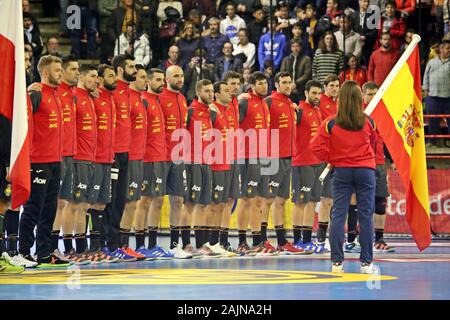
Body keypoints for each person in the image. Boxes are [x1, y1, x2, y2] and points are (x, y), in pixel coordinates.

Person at [311, 80, 377, 274]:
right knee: (365, 216)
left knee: (338, 215)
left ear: (341, 99)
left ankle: (337, 263)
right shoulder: (369, 121)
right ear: (360, 99)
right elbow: (372, 144)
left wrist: (330, 157)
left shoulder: (330, 122)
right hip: (365, 171)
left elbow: (314, 146)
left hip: (341, 171)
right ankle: (366, 264)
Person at [19, 55, 70, 267]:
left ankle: (44, 253)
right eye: (58, 70)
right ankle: (24, 252)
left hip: (55, 161)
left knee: (49, 209)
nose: (61, 73)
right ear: (47, 72)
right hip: (38, 161)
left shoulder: (56, 95)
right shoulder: (35, 94)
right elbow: (24, 124)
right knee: (33, 208)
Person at [264, 72, 307, 254]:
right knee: (267, 200)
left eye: (290, 82)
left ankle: (281, 241)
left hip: (289, 157)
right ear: (276, 84)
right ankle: (261, 240)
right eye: (284, 82)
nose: (288, 85)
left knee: (281, 200)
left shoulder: (290, 103)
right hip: (273, 158)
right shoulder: (269, 101)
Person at [102, 54, 138, 261]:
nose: (134, 70)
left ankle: (118, 244)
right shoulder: (110, 92)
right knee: (111, 199)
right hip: (112, 153)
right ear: (119, 70)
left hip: (127, 152)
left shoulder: (128, 93)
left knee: (121, 199)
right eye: (131, 67)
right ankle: (108, 244)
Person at [236, 72, 276, 256]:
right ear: (251, 85)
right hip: (247, 157)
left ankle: (257, 240)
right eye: (260, 83)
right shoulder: (244, 102)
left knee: (260, 200)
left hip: (264, 157)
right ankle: (242, 242)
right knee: (246, 199)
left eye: (265, 83)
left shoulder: (264, 103)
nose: (264, 86)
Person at [137, 68, 175, 259]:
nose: (162, 83)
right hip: (147, 158)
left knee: (158, 201)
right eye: (158, 80)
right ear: (149, 82)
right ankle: (138, 245)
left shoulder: (158, 101)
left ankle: (152, 244)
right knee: (144, 201)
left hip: (161, 156)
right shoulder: (143, 100)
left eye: (163, 80)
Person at [183, 79, 221, 258]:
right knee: (190, 204)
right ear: (199, 92)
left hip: (207, 162)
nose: (211, 94)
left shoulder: (210, 112)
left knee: (204, 205)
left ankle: (201, 244)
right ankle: (185, 244)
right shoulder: (190, 112)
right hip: (192, 163)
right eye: (207, 91)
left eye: (212, 91)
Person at [158, 66, 191, 259]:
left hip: (179, 157)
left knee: (178, 200)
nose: (180, 79)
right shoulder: (160, 98)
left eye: (181, 75)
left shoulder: (182, 98)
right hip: (161, 156)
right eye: (176, 76)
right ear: (166, 79)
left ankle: (174, 244)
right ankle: (147, 244)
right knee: (153, 201)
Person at [88, 64, 120, 262]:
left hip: (109, 158)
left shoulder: (111, 99)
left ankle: (98, 245)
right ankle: (88, 247)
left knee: (101, 203)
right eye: (110, 75)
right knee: (88, 202)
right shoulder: (93, 97)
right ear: (99, 79)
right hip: (94, 158)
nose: (115, 78)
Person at [116, 65, 148, 260]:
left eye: (144, 76)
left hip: (139, 156)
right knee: (128, 202)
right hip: (129, 155)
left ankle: (124, 245)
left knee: (133, 202)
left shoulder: (140, 100)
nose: (143, 79)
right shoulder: (126, 97)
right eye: (141, 77)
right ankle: (120, 244)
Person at [291, 80, 324, 253]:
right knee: (300, 202)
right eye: (313, 93)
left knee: (312, 202)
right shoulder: (299, 111)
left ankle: (306, 240)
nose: (317, 97)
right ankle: (297, 241)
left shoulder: (318, 111)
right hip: (302, 162)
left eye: (319, 93)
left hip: (317, 163)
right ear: (306, 93)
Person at [218, 71, 242, 252]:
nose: (234, 87)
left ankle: (223, 240)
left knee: (230, 199)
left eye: (237, 83)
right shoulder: (215, 107)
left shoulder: (235, 102)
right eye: (230, 84)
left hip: (234, 156)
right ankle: (214, 240)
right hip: (219, 158)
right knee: (218, 200)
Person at [423, 39, 450, 148]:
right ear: (441, 49)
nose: (449, 51)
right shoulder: (432, 62)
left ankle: (448, 141)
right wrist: (425, 90)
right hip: (433, 97)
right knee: (433, 120)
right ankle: (432, 141)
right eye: (447, 48)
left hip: (448, 97)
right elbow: (426, 76)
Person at [352, 0, 379, 67]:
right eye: (364, 1)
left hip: (368, 47)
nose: (366, 3)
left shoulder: (373, 15)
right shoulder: (353, 15)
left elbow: (375, 32)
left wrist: (366, 37)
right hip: (355, 47)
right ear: (359, 2)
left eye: (367, 2)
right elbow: (351, 30)